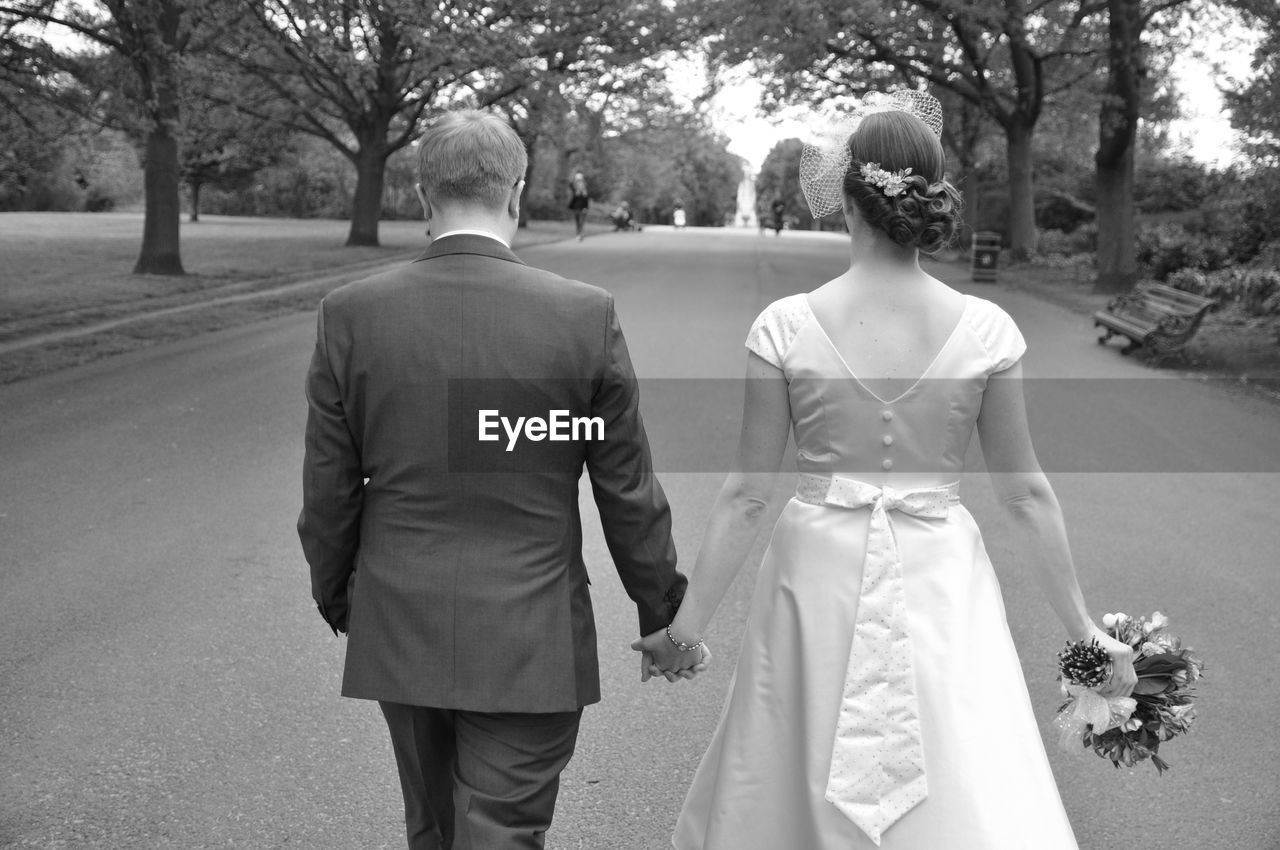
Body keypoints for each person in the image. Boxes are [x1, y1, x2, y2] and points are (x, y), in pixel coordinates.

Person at [637, 91, 1137, 849]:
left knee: (797, 736)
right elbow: (1026, 492)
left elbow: (744, 496)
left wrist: (685, 630)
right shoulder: (987, 330)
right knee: (956, 733)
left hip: (816, 569)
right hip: (940, 566)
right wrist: (1084, 634)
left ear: (847, 197)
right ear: (927, 197)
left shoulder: (786, 326)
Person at [298, 109, 704, 850]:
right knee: (499, 834)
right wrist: (662, 612)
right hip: (532, 631)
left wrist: (340, 596)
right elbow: (626, 488)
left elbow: (327, 488)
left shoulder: (350, 315)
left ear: (423, 196)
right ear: (517, 191)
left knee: (432, 830)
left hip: (401, 620)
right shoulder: (583, 317)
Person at [568, 171, 590, 241]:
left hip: (583, 209)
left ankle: (580, 234)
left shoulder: (585, 192)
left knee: (581, 222)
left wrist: (586, 208)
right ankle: (578, 234)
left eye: (581, 183)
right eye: (578, 183)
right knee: (577, 222)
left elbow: (586, 201)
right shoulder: (575, 191)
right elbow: (570, 184)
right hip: (576, 209)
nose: (580, 184)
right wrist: (574, 178)